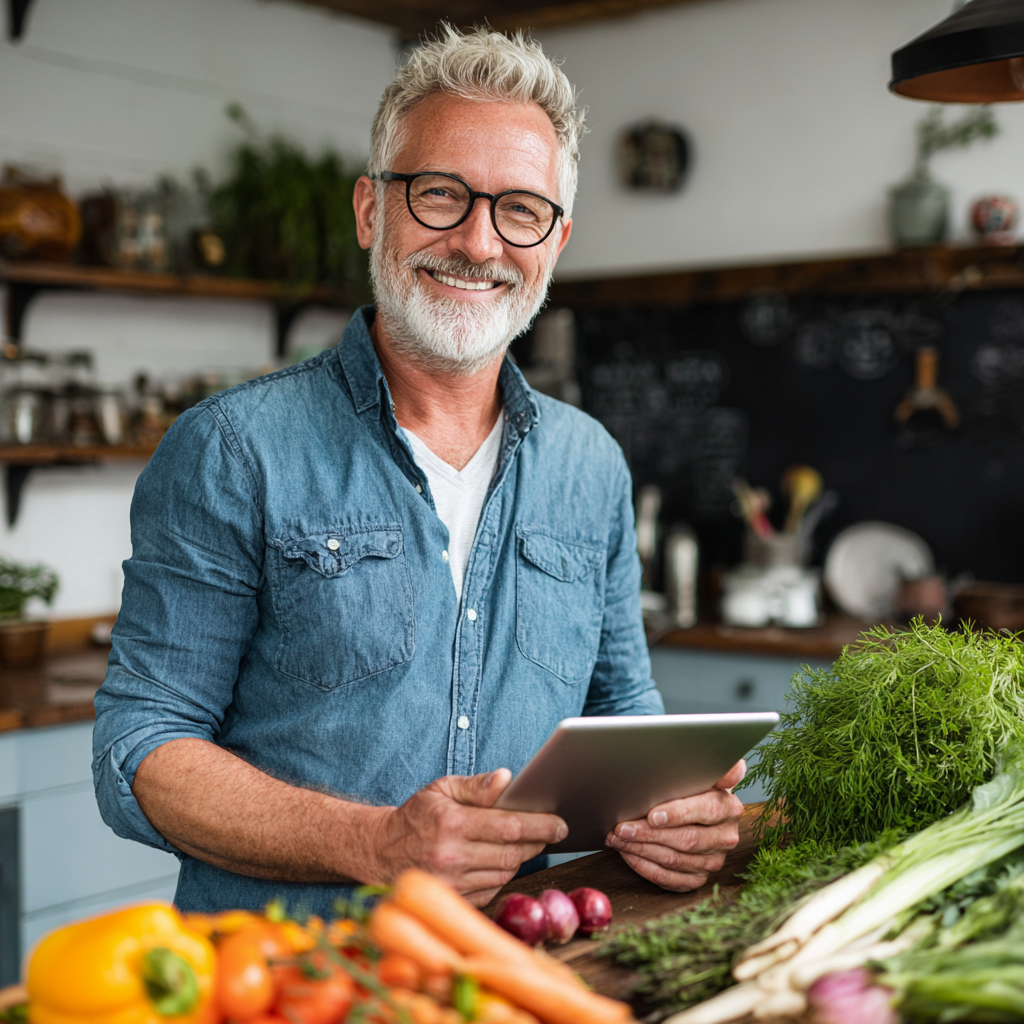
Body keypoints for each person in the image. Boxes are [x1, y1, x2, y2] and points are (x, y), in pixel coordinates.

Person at [93, 26, 744, 915]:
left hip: (525, 963)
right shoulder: (232, 447)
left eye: (520, 208)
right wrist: (376, 844)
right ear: (372, 210)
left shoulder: (591, 463)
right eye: (441, 194)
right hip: (292, 979)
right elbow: (140, 742)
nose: (478, 242)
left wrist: (671, 811)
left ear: (554, 241)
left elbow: (622, 705)